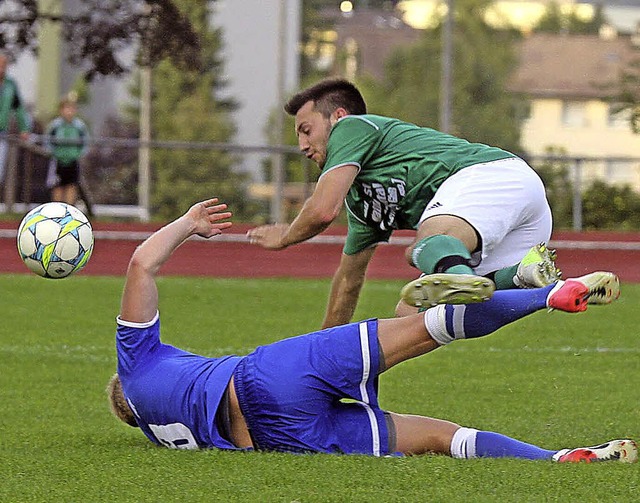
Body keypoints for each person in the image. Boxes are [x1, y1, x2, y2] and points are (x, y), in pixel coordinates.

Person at [107, 197, 636, 464]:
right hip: (265, 377)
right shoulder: (136, 365)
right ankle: (544, 291)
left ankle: (556, 459)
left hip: (278, 439)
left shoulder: (158, 433)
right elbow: (139, 264)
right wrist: (187, 224)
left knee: (437, 436)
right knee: (429, 327)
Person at [247, 78, 562, 328]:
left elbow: (322, 209)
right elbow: (348, 280)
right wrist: (322, 348)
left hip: (493, 175)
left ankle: (458, 272)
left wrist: (286, 236)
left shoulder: (353, 127)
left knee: (423, 248)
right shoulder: (362, 203)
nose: (302, 145)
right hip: (523, 215)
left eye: (306, 130)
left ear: (338, 117)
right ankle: (524, 275)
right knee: (411, 312)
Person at [44, 96, 91, 205]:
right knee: (57, 186)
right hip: (58, 161)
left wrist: (78, 154)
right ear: (61, 110)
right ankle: (57, 211)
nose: (69, 111)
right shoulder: (55, 125)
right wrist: (53, 153)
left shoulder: (79, 126)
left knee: (72, 185)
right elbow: (48, 141)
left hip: (73, 161)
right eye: (67, 108)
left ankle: (68, 210)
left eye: (72, 108)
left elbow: (85, 143)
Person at [0, 52, 30, 184]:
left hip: (2, 132)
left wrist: (24, 128)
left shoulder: (10, 85)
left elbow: (18, 108)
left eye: (3, 65)